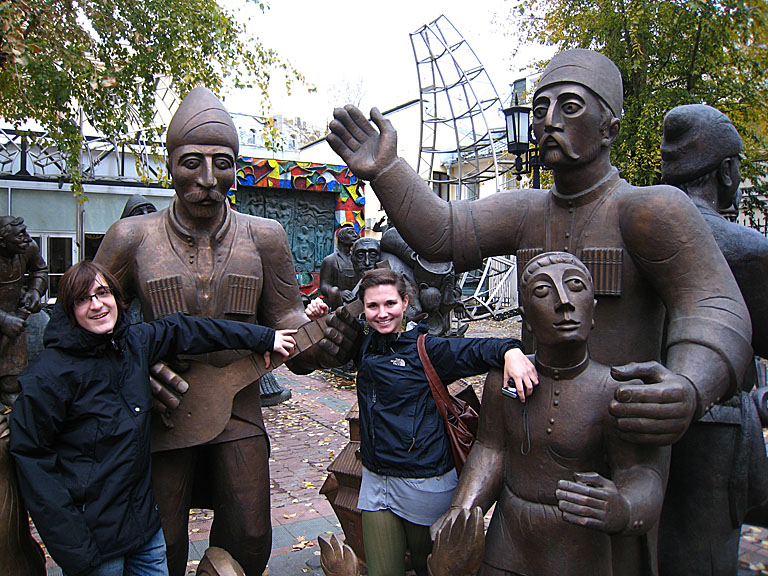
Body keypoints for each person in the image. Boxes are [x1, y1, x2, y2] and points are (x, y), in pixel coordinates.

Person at [326, 48, 752, 575]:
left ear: (609, 127)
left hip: (622, 446)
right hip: (529, 440)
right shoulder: (525, 210)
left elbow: (713, 307)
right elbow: (443, 230)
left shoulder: (651, 210)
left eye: (570, 107)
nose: (548, 121)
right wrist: (386, 170)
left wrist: (690, 385)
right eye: (541, 109)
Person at [94, 87, 359, 575]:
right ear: (169, 164)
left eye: (224, 163)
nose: (209, 179)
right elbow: (87, 322)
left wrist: (324, 341)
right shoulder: (132, 238)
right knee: (163, 540)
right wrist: (130, 369)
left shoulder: (265, 238)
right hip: (165, 414)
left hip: (239, 408)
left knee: (253, 535)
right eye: (192, 162)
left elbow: (288, 325)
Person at [8, 260, 297, 576]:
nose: (96, 305)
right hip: (95, 545)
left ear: (117, 298)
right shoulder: (47, 377)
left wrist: (263, 337)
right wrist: (75, 550)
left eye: (102, 293)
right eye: (82, 299)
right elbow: (34, 462)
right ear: (69, 310)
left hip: (145, 533)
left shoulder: (133, 344)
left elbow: (187, 329)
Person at [429, 252, 669, 576]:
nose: (564, 302)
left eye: (576, 287)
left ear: (593, 311)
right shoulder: (503, 380)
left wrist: (625, 508)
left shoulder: (614, 389)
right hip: (510, 537)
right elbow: (490, 450)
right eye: (543, 292)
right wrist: (462, 510)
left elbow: (639, 472)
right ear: (526, 317)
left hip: (579, 544)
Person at [309, 268, 538, 576]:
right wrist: (317, 317)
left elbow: (478, 350)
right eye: (373, 306)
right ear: (364, 308)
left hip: (424, 481)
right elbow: (328, 346)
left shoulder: (426, 348)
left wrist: (510, 349)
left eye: (390, 304)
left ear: (405, 303)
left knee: (429, 567)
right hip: (377, 479)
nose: (382, 313)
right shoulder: (365, 342)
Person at [659, 104, 768, 575]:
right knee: (704, 554)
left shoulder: (634, 231)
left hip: (637, 417)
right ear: (726, 171)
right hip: (715, 432)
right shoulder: (747, 249)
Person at [319, 225, 360, 310]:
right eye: (350, 233)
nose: (355, 235)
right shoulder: (330, 260)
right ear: (341, 238)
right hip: (336, 306)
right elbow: (324, 285)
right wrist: (339, 294)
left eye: (355, 232)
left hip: (355, 304)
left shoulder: (357, 259)